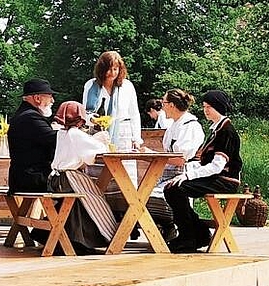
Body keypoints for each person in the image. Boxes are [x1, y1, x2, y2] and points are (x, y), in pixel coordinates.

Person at [164, 90, 242, 253]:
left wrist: (188, 175)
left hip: (226, 181)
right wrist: (188, 172)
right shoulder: (217, 129)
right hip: (217, 177)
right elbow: (205, 162)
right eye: (205, 106)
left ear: (218, 107)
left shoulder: (226, 131)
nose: (206, 110)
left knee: (176, 189)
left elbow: (217, 166)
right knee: (172, 188)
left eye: (209, 107)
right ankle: (197, 232)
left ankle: (189, 236)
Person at [49, 101, 119, 253]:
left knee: (91, 195)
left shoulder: (60, 133)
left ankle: (75, 239)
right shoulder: (75, 134)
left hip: (58, 178)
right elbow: (95, 152)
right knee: (95, 199)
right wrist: (100, 139)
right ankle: (85, 240)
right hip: (68, 179)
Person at [145, 89, 205, 240]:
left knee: (142, 199)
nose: (162, 106)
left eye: (164, 103)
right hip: (167, 173)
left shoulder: (190, 126)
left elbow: (180, 159)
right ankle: (166, 227)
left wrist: (152, 155)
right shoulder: (174, 125)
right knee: (136, 196)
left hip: (182, 174)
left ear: (171, 105)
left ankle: (174, 227)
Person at [82, 50, 143, 185]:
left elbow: (134, 113)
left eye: (115, 69)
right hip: (99, 132)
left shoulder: (127, 86)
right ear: (101, 69)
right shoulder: (91, 85)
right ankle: (98, 202)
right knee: (99, 171)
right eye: (108, 69)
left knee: (124, 171)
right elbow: (85, 112)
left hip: (123, 133)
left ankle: (127, 203)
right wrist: (92, 119)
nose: (112, 73)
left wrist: (136, 138)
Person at [7, 78, 58, 193]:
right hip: (33, 179)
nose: (53, 101)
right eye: (50, 97)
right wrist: (73, 134)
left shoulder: (23, 115)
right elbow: (55, 140)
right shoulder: (30, 117)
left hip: (24, 178)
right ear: (37, 98)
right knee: (75, 187)